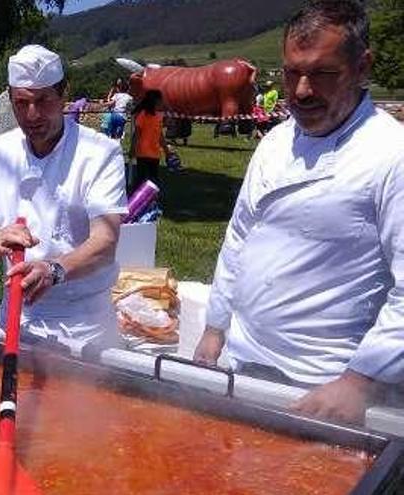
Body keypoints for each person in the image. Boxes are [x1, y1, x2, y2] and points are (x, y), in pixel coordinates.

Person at [193, 0, 404, 425]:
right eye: (293, 73)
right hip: (241, 361)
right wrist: (214, 329)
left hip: (323, 383)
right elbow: (239, 238)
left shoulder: (391, 152)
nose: (303, 90)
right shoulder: (275, 142)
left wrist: (360, 381)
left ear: (362, 67)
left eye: (323, 74)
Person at [0, 45, 128, 352]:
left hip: (83, 324)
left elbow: (105, 242)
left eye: (42, 101)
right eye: (21, 103)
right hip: (16, 316)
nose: (32, 115)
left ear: (63, 94)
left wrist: (54, 270)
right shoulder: (0, 151)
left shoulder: (101, 152)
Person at [129, 90, 173, 194]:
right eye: (160, 100)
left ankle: (149, 201)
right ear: (155, 101)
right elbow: (137, 134)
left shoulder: (158, 116)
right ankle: (134, 200)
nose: (162, 102)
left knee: (152, 180)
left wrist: (166, 151)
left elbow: (160, 136)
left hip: (154, 154)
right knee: (141, 179)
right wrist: (132, 149)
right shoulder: (143, 115)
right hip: (143, 153)